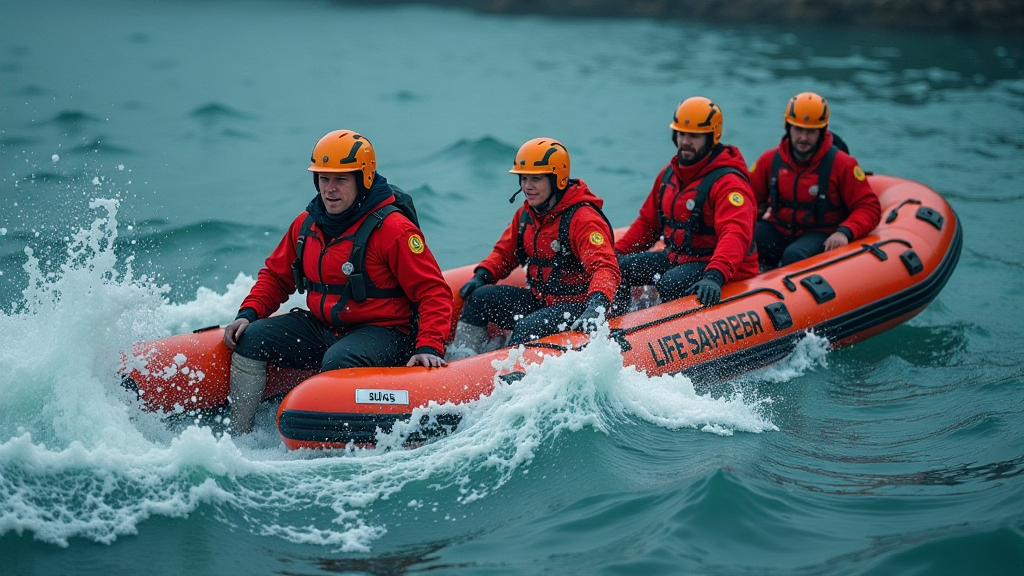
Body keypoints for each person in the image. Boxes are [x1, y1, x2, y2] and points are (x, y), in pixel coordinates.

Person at [221, 130, 454, 434]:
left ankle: (327, 442)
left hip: (386, 333)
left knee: (339, 360)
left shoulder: (394, 229)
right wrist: (248, 313)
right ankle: (240, 438)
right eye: (323, 179)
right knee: (251, 338)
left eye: (341, 180)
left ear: (363, 179)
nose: (329, 189)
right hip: (325, 327)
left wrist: (429, 347)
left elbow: (434, 292)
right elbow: (276, 276)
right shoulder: (305, 225)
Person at [451, 137, 620, 353]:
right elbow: (504, 253)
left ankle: (508, 375)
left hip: (579, 305)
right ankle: (460, 362)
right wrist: (482, 275)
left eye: (536, 179)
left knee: (526, 328)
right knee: (479, 300)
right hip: (541, 299)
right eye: (523, 179)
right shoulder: (525, 215)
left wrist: (596, 306)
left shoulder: (583, 218)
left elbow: (605, 267)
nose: (527, 187)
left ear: (557, 180)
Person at [614, 96, 758, 311]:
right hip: (679, 256)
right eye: (682, 134)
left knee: (671, 283)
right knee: (620, 269)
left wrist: (714, 275)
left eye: (695, 136)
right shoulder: (669, 175)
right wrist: (617, 253)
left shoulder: (729, 183)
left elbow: (735, 234)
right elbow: (648, 224)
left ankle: (664, 335)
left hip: (715, 264)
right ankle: (617, 322)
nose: (686, 142)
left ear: (711, 137)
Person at [750, 92, 881, 269]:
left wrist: (844, 232)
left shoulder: (842, 164)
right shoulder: (769, 160)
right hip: (779, 228)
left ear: (822, 131)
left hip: (820, 233)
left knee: (795, 255)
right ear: (788, 127)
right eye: (798, 129)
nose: (803, 137)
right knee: (743, 240)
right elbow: (748, 198)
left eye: (811, 131)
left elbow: (868, 207)